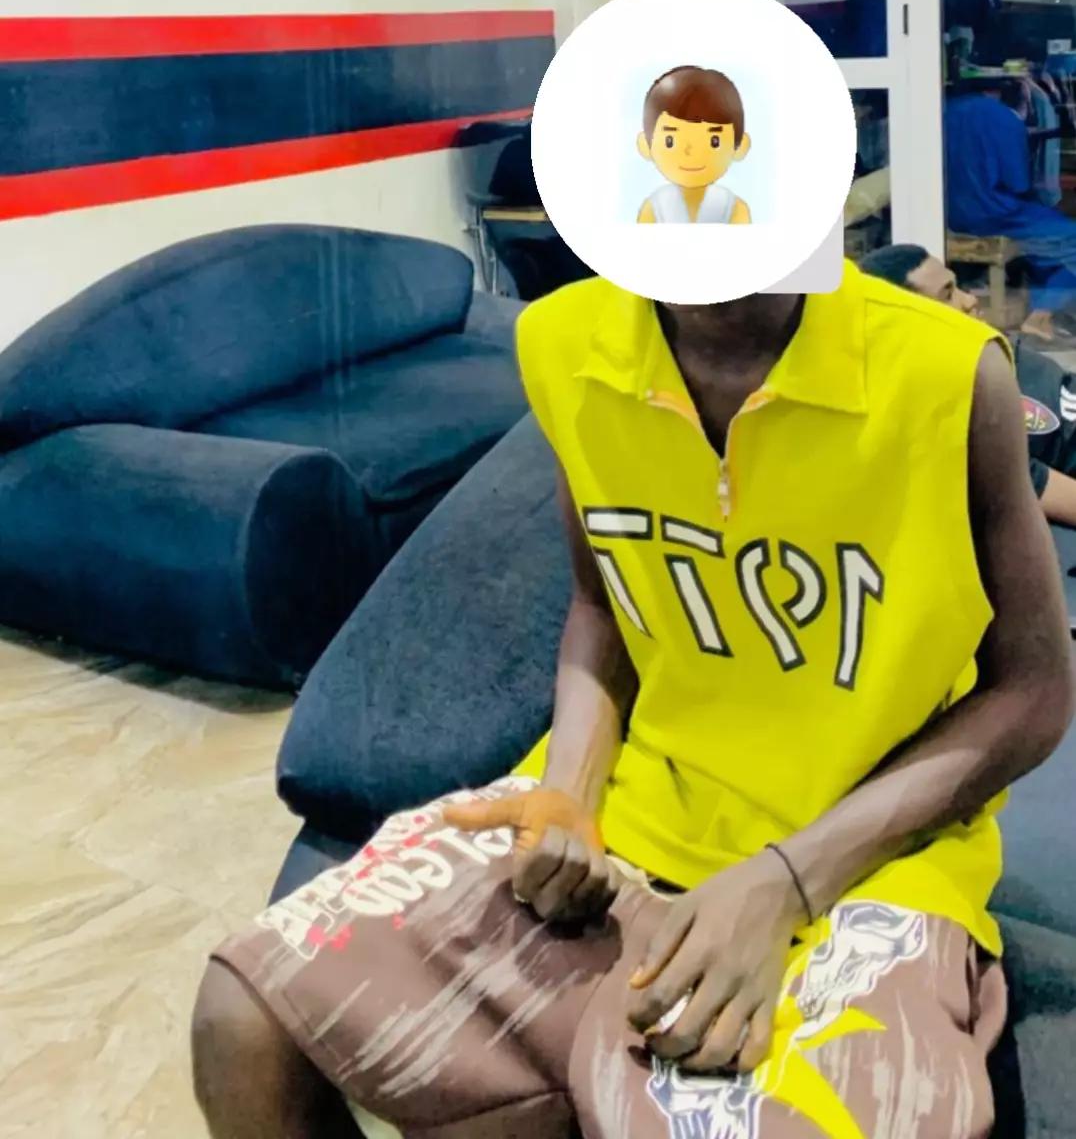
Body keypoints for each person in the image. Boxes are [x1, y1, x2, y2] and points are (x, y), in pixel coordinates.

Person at [192, 261, 1074, 1139]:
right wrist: (570, 796)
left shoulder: (949, 373)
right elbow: (601, 602)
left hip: (872, 855)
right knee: (243, 1019)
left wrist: (786, 883)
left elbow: (1035, 687)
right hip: (638, 806)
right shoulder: (564, 340)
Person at [861, 242, 1076, 530]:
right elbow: (1048, 491)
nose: (970, 300)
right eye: (948, 295)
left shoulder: (1001, 358)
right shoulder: (939, 413)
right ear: (908, 320)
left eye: (958, 286)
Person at [945, 85, 1076, 340]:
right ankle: (1042, 316)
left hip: (951, 214)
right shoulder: (1003, 118)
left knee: (1047, 244)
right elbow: (1018, 183)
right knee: (1069, 238)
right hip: (997, 214)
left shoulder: (939, 112)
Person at [637, 65, 752, 225]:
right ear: (646, 145)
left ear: (739, 147)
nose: (690, 152)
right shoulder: (655, 206)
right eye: (670, 141)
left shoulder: (733, 207)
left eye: (714, 142)